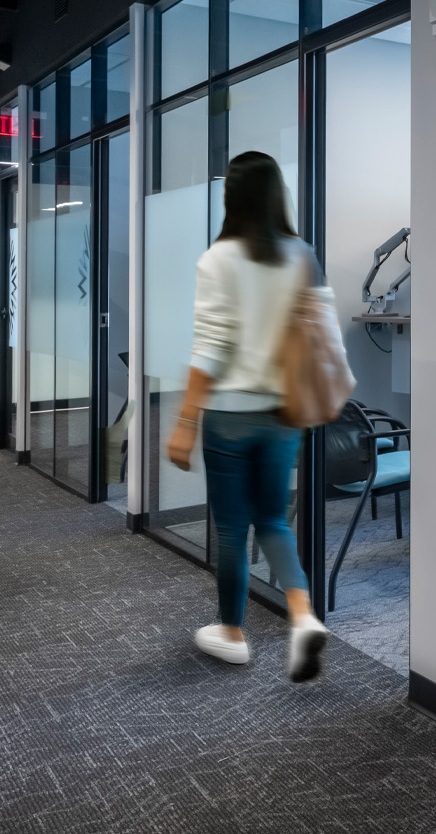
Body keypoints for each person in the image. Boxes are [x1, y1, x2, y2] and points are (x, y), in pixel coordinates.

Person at [168, 151, 336, 682]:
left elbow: (211, 349)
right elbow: (323, 329)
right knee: (273, 521)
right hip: (283, 414)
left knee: (232, 529)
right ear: (276, 195)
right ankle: (302, 616)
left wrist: (185, 421)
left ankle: (233, 633)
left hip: (229, 417)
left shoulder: (219, 259)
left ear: (231, 198)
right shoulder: (302, 254)